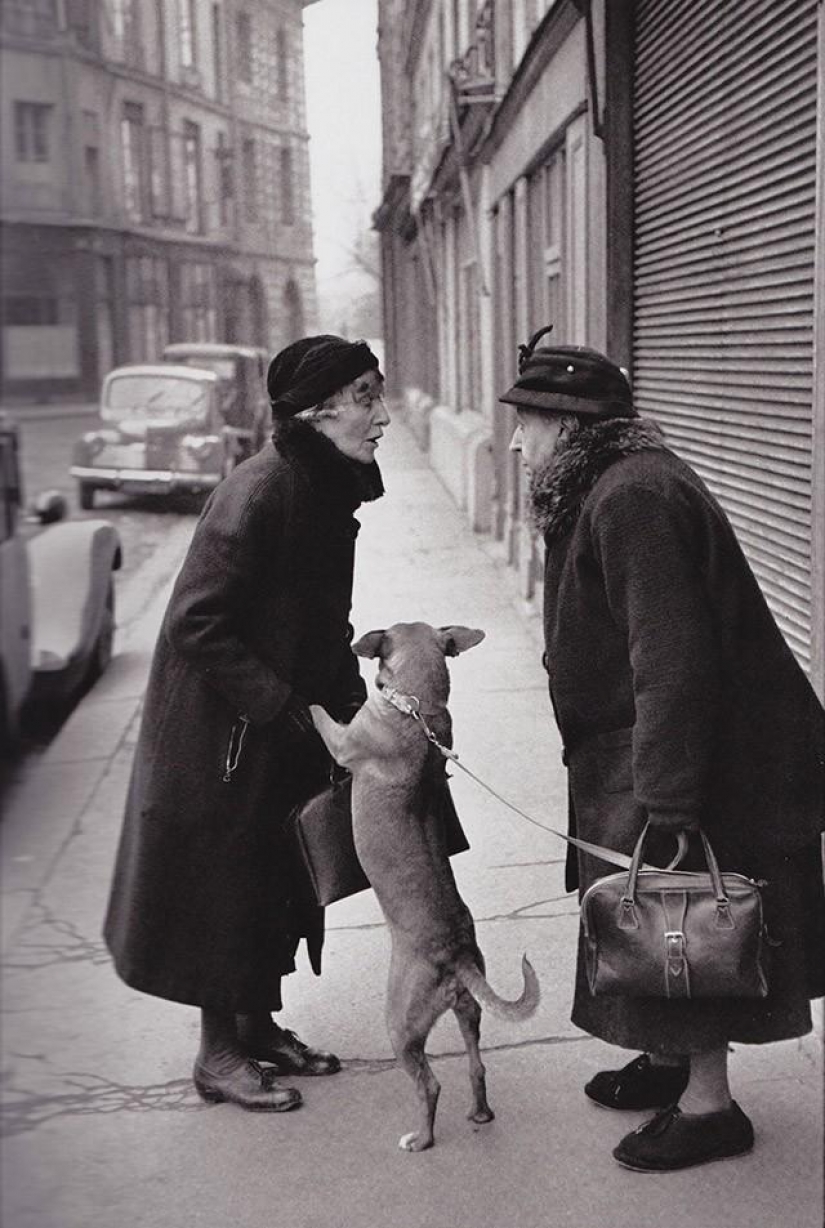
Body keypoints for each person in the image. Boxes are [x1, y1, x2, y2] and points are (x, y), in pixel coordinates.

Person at [500, 327, 825, 1171]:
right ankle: (667, 1058)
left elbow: (671, 661)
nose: (511, 441)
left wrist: (670, 799)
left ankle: (709, 1107)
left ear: (567, 427)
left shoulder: (633, 497)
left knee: (680, 914)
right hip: (650, 744)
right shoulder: (614, 485)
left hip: (703, 755)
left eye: (524, 424)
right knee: (652, 911)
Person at [104, 335, 390, 1112]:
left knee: (274, 880)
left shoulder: (323, 487)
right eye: (367, 397)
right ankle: (217, 1054)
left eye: (377, 393)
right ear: (317, 410)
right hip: (220, 734)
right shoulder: (261, 490)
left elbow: (322, 618)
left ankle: (257, 1027)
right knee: (223, 889)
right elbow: (196, 624)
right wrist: (287, 708)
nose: (381, 416)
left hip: (276, 725)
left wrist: (352, 708)